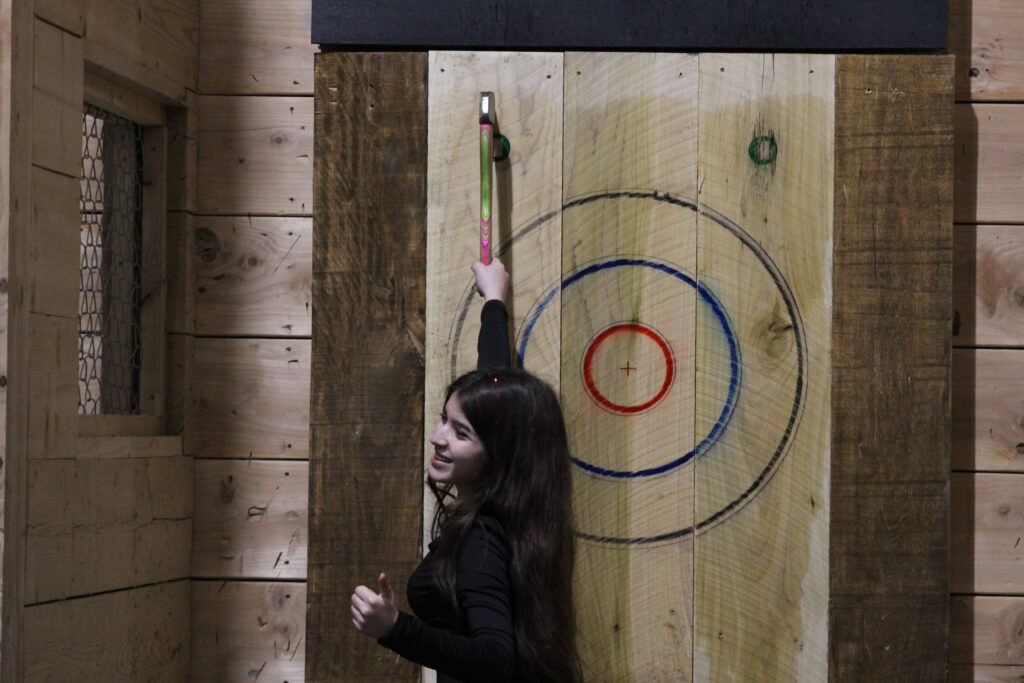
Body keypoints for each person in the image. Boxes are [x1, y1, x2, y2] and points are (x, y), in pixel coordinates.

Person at [350, 258, 582, 683]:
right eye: (444, 419)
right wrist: (493, 301)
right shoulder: (518, 514)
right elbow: (493, 391)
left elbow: (495, 658)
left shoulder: (482, 541)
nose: (437, 437)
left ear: (498, 453)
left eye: (459, 433)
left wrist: (395, 628)